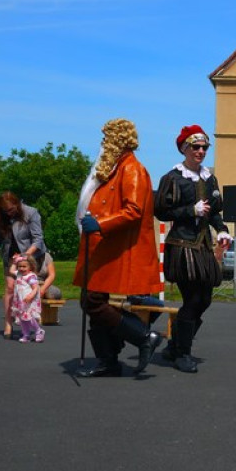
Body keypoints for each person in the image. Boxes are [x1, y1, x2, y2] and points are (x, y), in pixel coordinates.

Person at [73, 118, 166, 378]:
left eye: (107, 138)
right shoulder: (114, 168)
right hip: (104, 246)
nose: (103, 143)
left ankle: (144, 337)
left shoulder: (131, 169)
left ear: (118, 140)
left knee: (92, 300)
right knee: (93, 299)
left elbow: (134, 210)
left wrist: (100, 223)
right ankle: (108, 360)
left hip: (117, 247)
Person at [155, 124, 232, 373]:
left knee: (205, 299)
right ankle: (182, 353)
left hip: (202, 245)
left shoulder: (210, 178)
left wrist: (221, 230)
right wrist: (191, 210)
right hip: (182, 244)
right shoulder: (172, 178)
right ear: (184, 148)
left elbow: (215, 212)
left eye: (204, 147)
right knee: (193, 298)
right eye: (195, 147)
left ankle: (175, 345)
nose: (201, 151)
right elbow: (161, 211)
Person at [0, 192, 46, 339]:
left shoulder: (31, 213)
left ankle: (30, 319)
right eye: (5, 211)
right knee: (9, 288)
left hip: (30, 255)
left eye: (11, 209)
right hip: (10, 256)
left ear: (17, 204)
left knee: (26, 288)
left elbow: (38, 239)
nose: (9, 213)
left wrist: (25, 256)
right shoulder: (2, 218)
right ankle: (8, 323)